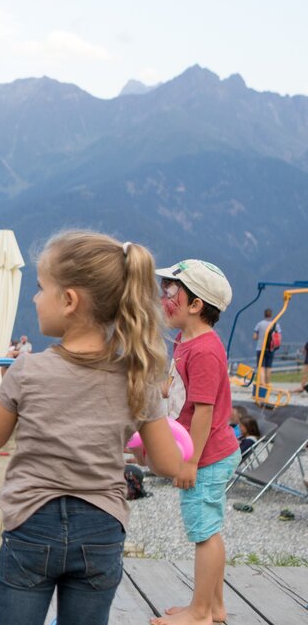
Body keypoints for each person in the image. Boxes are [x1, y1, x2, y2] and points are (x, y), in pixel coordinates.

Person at [0, 232, 183, 625]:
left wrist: (5, 384)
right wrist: (138, 447)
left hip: (31, 524)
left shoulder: (28, 369)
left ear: (69, 301)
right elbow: (168, 463)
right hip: (101, 528)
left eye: (41, 289)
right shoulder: (138, 377)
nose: (35, 298)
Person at [155, 259, 241, 625]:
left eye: (172, 291)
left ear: (195, 305)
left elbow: (204, 412)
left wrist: (190, 462)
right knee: (208, 528)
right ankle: (214, 606)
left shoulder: (205, 350)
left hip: (206, 457)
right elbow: (181, 391)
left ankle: (201, 612)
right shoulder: (183, 340)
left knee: (204, 533)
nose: (164, 298)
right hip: (205, 453)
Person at [252, 308, 281, 392]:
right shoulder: (275, 324)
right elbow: (279, 337)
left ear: (264, 315)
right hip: (271, 348)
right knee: (268, 367)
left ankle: (262, 384)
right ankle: (268, 384)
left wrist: (260, 337)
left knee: (261, 367)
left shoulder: (260, 324)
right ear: (271, 315)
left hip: (260, 348)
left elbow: (254, 336)